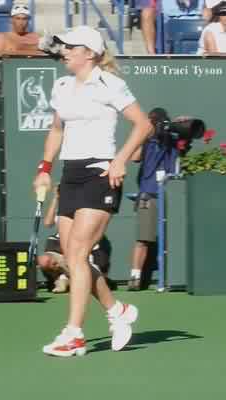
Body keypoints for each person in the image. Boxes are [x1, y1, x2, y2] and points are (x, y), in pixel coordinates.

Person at [33, 25, 152, 357]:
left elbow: (144, 125)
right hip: (70, 175)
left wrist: (120, 160)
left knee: (78, 254)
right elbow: (56, 130)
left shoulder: (109, 84)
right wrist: (44, 168)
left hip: (100, 174)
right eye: (65, 47)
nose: (65, 51)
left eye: (71, 46)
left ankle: (74, 334)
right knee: (73, 261)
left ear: (89, 52)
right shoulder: (61, 86)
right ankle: (117, 311)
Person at [127, 108, 179, 291]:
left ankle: (172, 278)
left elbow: (190, 134)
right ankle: (135, 277)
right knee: (143, 239)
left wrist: (177, 126)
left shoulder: (172, 139)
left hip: (171, 193)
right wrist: (144, 136)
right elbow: (134, 157)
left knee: (173, 238)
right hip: (149, 194)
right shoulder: (147, 141)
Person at [38, 185, 115, 293]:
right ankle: (61, 279)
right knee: (44, 260)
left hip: (87, 246)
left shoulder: (88, 204)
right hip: (60, 246)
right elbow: (47, 223)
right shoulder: (62, 205)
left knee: (91, 278)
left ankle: (68, 279)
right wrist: (56, 198)